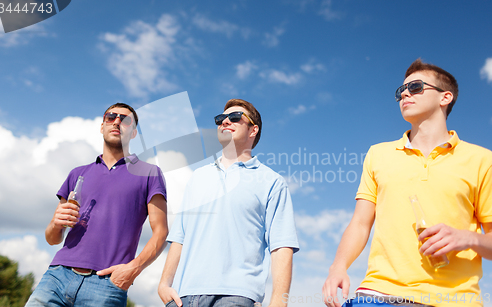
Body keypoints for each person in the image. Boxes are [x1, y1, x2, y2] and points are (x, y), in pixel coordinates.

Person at [323, 59, 492, 307]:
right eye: (400, 91)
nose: (404, 93)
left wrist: (467, 238)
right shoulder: (378, 154)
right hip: (378, 295)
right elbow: (360, 223)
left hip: (455, 300)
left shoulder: (481, 160)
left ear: (445, 97)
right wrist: (338, 267)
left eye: (415, 87)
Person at [158, 99, 299, 307]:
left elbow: (281, 247)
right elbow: (180, 236)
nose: (225, 122)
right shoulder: (197, 177)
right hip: (183, 297)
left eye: (234, 117)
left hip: (235, 298)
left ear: (253, 130)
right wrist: (164, 284)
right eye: (220, 119)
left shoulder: (272, 182)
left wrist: (278, 303)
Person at [26, 103, 168, 306]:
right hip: (56, 277)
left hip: (106, 285)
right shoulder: (77, 173)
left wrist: (132, 270)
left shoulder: (149, 173)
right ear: (102, 126)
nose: (117, 121)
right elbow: (52, 239)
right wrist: (56, 224)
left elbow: (161, 232)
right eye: (111, 117)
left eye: (125, 119)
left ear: (134, 132)